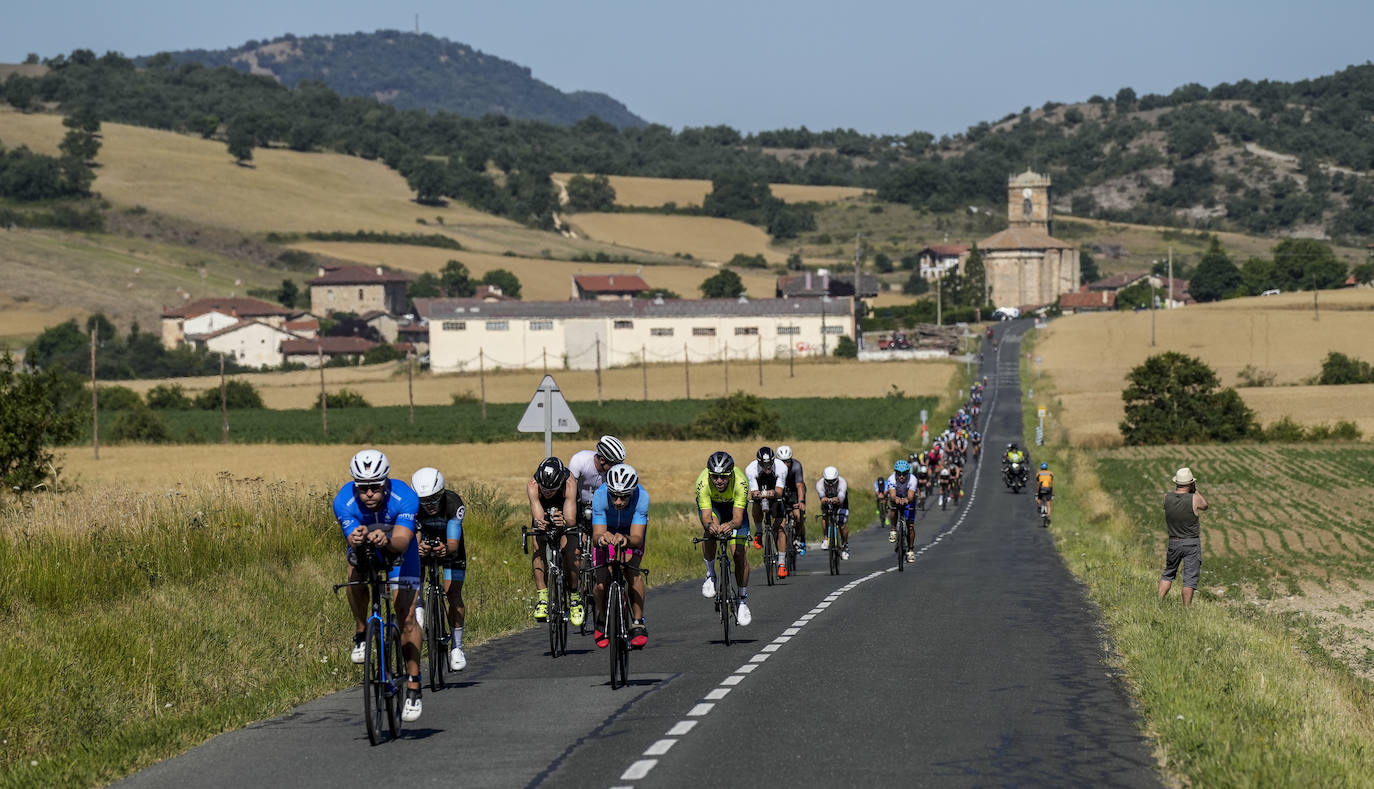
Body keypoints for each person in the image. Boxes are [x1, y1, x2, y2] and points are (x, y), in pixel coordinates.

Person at [333, 449, 424, 722]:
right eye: (363, 488)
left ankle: (414, 684)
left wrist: (386, 540)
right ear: (355, 486)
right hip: (368, 552)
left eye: (375, 487)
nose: (369, 493)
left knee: (407, 618)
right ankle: (362, 632)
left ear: (386, 482)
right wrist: (357, 537)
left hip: (399, 553)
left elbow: (403, 541)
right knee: (354, 568)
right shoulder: (343, 500)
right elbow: (351, 540)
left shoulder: (404, 496)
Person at [412, 467, 469, 671]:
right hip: (424, 541)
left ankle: (457, 648)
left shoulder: (453, 503)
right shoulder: (413, 506)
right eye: (424, 500)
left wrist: (446, 548)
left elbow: (453, 541)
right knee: (414, 564)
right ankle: (419, 607)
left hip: (451, 545)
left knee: (453, 594)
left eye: (435, 498)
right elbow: (415, 536)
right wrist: (420, 548)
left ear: (442, 493)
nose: (430, 505)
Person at [592, 464, 650, 649]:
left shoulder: (642, 497)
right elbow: (596, 535)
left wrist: (625, 540)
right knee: (601, 581)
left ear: (632, 492)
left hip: (629, 532)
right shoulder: (600, 496)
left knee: (632, 571)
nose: (618, 502)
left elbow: (637, 537)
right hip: (606, 530)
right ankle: (602, 618)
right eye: (614, 496)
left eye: (624, 497)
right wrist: (602, 540)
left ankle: (638, 622)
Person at [695, 451, 752, 626]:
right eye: (715, 476)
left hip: (734, 509)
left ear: (731, 475)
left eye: (723, 477)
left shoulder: (741, 482)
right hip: (714, 507)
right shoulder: (703, 482)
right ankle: (711, 574)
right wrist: (711, 526)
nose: (719, 480)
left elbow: (737, 519)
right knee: (710, 531)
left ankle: (742, 600)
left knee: (739, 555)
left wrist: (731, 526)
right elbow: (706, 517)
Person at [525, 457, 581, 626]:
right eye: (545, 489)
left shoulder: (569, 482)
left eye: (552, 489)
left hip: (566, 507)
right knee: (537, 542)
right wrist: (540, 523)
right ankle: (542, 598)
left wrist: (563, 522)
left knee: (570, 551)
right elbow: (537, 516)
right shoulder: (533, 485)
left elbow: (571, 520)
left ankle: (574, 598)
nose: (548, 492)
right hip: (543, 507)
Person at [1159, 467, 1208, 607]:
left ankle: (1158, 601)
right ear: (1191, 483)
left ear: (1177, 482)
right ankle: (1186, 609)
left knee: (1168, 573)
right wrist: (1196, 490)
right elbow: (1205, 505)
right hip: (1191, 543)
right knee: (1189, 579)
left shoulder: (1166, 497)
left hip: (1173, 541)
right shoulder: (1194, 498)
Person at [745, 446, 789, 578]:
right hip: (760, 490)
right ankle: (759, 531)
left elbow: (779, 491)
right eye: (764, 464)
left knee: (780, 528)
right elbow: (753, 492)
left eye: (770, 463)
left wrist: (773, 493)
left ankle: (781, 564)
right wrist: (759, 494)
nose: (767, 466)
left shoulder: (781, 467)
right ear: (758, 463)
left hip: (775, 494)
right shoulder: (751, 469)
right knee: (756, 504)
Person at [777, 445, 808, 556]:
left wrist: (801, 501)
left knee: (798, 515)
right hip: (780, 491)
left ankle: (798, 537)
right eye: (782, 462)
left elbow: (799, 485)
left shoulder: (796, 466)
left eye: (788, 461)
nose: (785, 464)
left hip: (794, 491)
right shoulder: (774, 467)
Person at [886, 459, 918, 563]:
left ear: (908, 473)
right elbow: (892, 495)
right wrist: (896, 499)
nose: (901, 476)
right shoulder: (891, 479)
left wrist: (906, 500)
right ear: (895, 473)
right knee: (893, 508)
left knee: (910, 526)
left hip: (909, 499)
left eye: (904, 474)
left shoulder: (913, 479)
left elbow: (910, 496)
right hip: (897, 496)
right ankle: (893, 529)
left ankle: (911, 550)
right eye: (899, 474)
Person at [816, 466, 850, 560]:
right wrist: (824, 499)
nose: (830, 484)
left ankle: (844, 546)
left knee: (842, 524)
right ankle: (826, 538)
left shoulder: (842, 482)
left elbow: (842, 497)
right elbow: (821, 496)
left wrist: (838, 499)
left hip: (841, 503)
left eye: (832, 481)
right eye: (828, 481)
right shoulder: (820, 483)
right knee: (824, 516)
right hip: (827, 502)